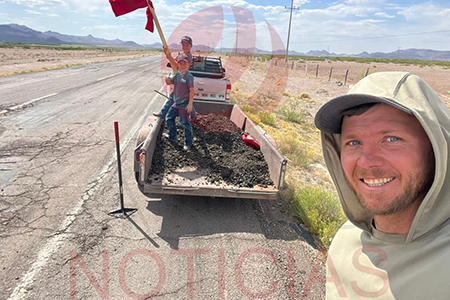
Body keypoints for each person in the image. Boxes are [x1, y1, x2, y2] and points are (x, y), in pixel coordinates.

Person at [314, 72, 450, 299]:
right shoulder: (345, 241)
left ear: (437, 148)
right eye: (354, 142)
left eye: (391, 139)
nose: (367, 161)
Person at [153, 36, 193, 118]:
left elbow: (177, 65)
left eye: (187, 45)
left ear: (191, 46)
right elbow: (173, 61)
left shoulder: (188, 56)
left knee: (173, 97)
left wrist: (169, 55)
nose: (185, 47)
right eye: (183, 45)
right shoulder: (182, 54)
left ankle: (165, 114)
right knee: (172, 97)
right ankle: (164, 113)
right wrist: (167, 53)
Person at [164, 53, 195, 151]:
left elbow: (192, 91)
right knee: (169, 117)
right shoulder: (177, 74)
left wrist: (190, 104)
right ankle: (172, 136)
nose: (182, 65)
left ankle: (188, 143)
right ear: (178, 65)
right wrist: (167, 78)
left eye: (184, 63)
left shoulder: (189, 76)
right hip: (176, 103)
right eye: (180, 63)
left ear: (189, 64)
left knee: (185, 123)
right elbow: (169, 82)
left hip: (184, 103)